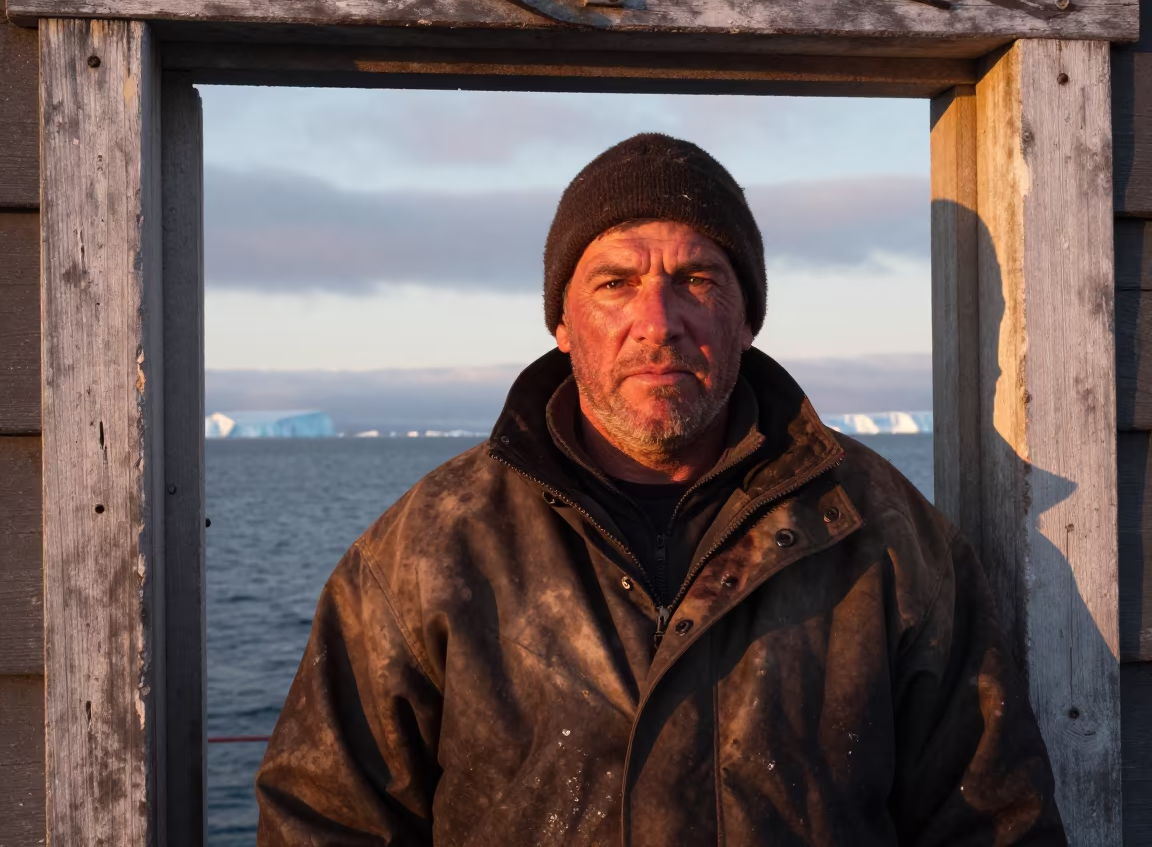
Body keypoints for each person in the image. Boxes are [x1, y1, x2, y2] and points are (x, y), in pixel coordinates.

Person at [255, 133, 1066, 846]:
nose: (659, 320)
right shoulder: (430, 547)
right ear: (562, 322)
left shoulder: (883, 534)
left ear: (746, 318)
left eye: (697, 279)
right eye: (615, 282)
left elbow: (993, 820)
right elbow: (325, 822)